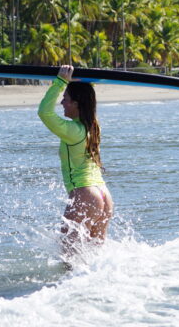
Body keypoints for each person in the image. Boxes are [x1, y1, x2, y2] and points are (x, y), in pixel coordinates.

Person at [38, 65, 113, 257]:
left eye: (66, 99)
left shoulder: (73, 131)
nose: (62, 102)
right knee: (95, 258)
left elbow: (44, 112)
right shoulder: (93, 126)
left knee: (69, 258)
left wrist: (60, 82)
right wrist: (81, 80)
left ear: (77, 104)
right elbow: (87, 97)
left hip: (85, 195)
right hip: (103, 195)